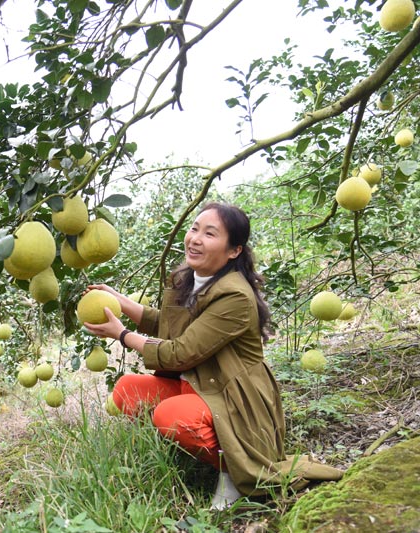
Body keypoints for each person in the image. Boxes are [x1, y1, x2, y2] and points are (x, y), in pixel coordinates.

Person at [82, 202, 342, 510]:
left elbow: (180, 352)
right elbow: (168, 325)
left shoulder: (234, 295)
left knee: (171, 417)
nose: (195, 238)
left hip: (231, 394)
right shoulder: (190, 280)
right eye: (194, 229)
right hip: (197, 383)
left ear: (233, 251)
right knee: (128, 390)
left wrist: (122, 335)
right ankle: (208, 454)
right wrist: (121, 302)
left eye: (210, 233)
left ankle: (233, 470)